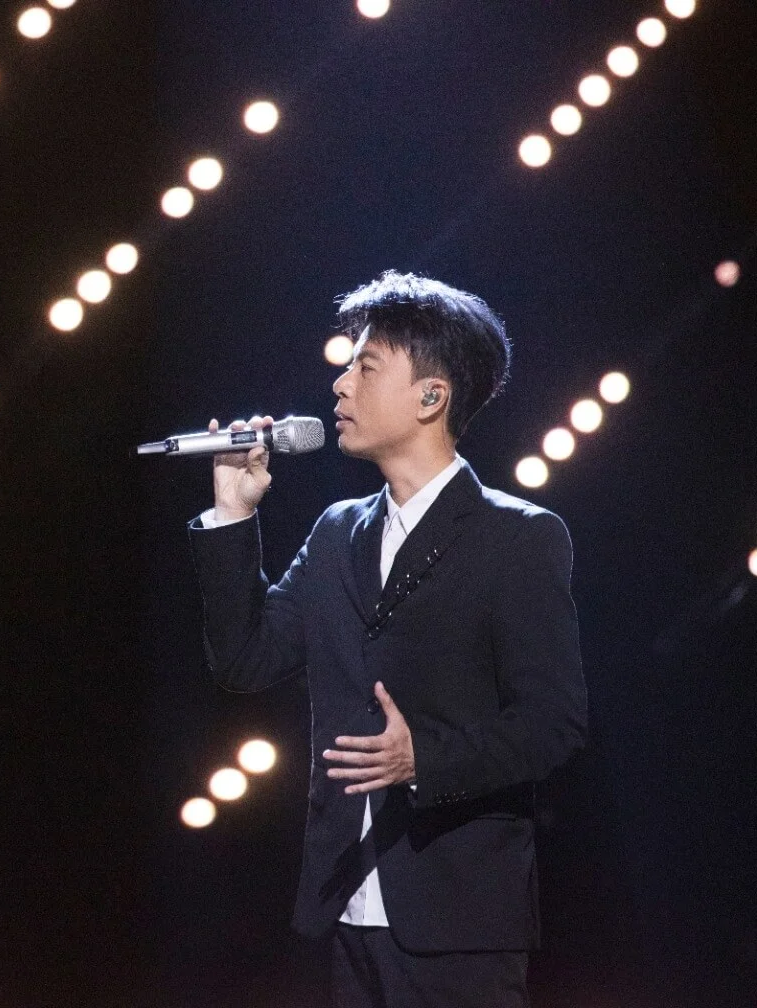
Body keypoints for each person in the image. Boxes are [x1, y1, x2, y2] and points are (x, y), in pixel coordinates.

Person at [186, 270, 588, 1007]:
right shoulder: (338, 531)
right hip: (340, 908)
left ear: (432, 397)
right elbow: (246, 660)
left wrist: (421, 760)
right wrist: (233, 516)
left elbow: (551, 724)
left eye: (365, 367)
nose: (340, 384)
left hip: (459, 919)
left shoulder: (518, 537)